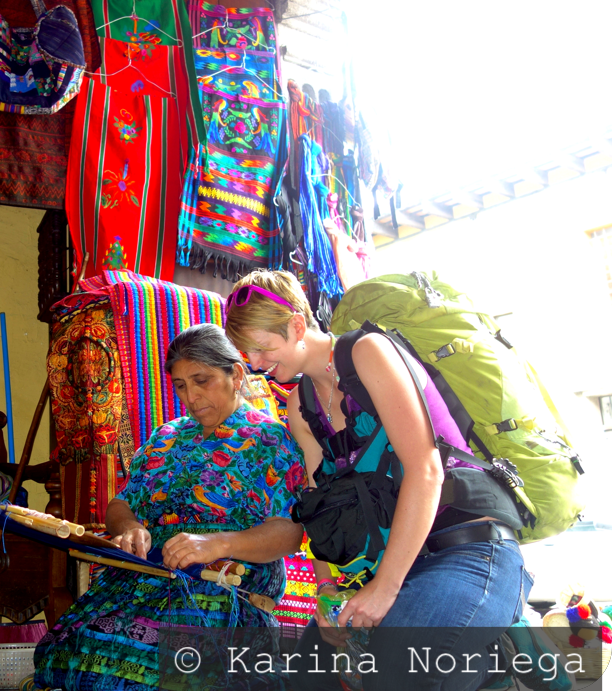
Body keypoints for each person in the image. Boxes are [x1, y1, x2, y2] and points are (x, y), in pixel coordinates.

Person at [223, 269, 531, 691]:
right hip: (398, 562)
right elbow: (321, 506)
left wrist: (385, 589)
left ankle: (494, 665)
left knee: (399, 666)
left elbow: (425, 469)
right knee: (306, 677)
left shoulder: (368, 352)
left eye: (261, 347)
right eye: (247, 352)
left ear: (297, 325)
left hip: (468, 546)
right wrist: (327, 591)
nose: (255, 364)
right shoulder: (300, 406)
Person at [34, 323, 307, 690]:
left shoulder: (271, 440)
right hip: (147, 577)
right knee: (66, 651)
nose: (191, 397)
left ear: (236, 374)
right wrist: (130, 527)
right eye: (181, 386)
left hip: (224, 583)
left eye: (202, 380)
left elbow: (290, 533)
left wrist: (217, 544)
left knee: (156, 667)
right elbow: (120, 504)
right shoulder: (166, 438)